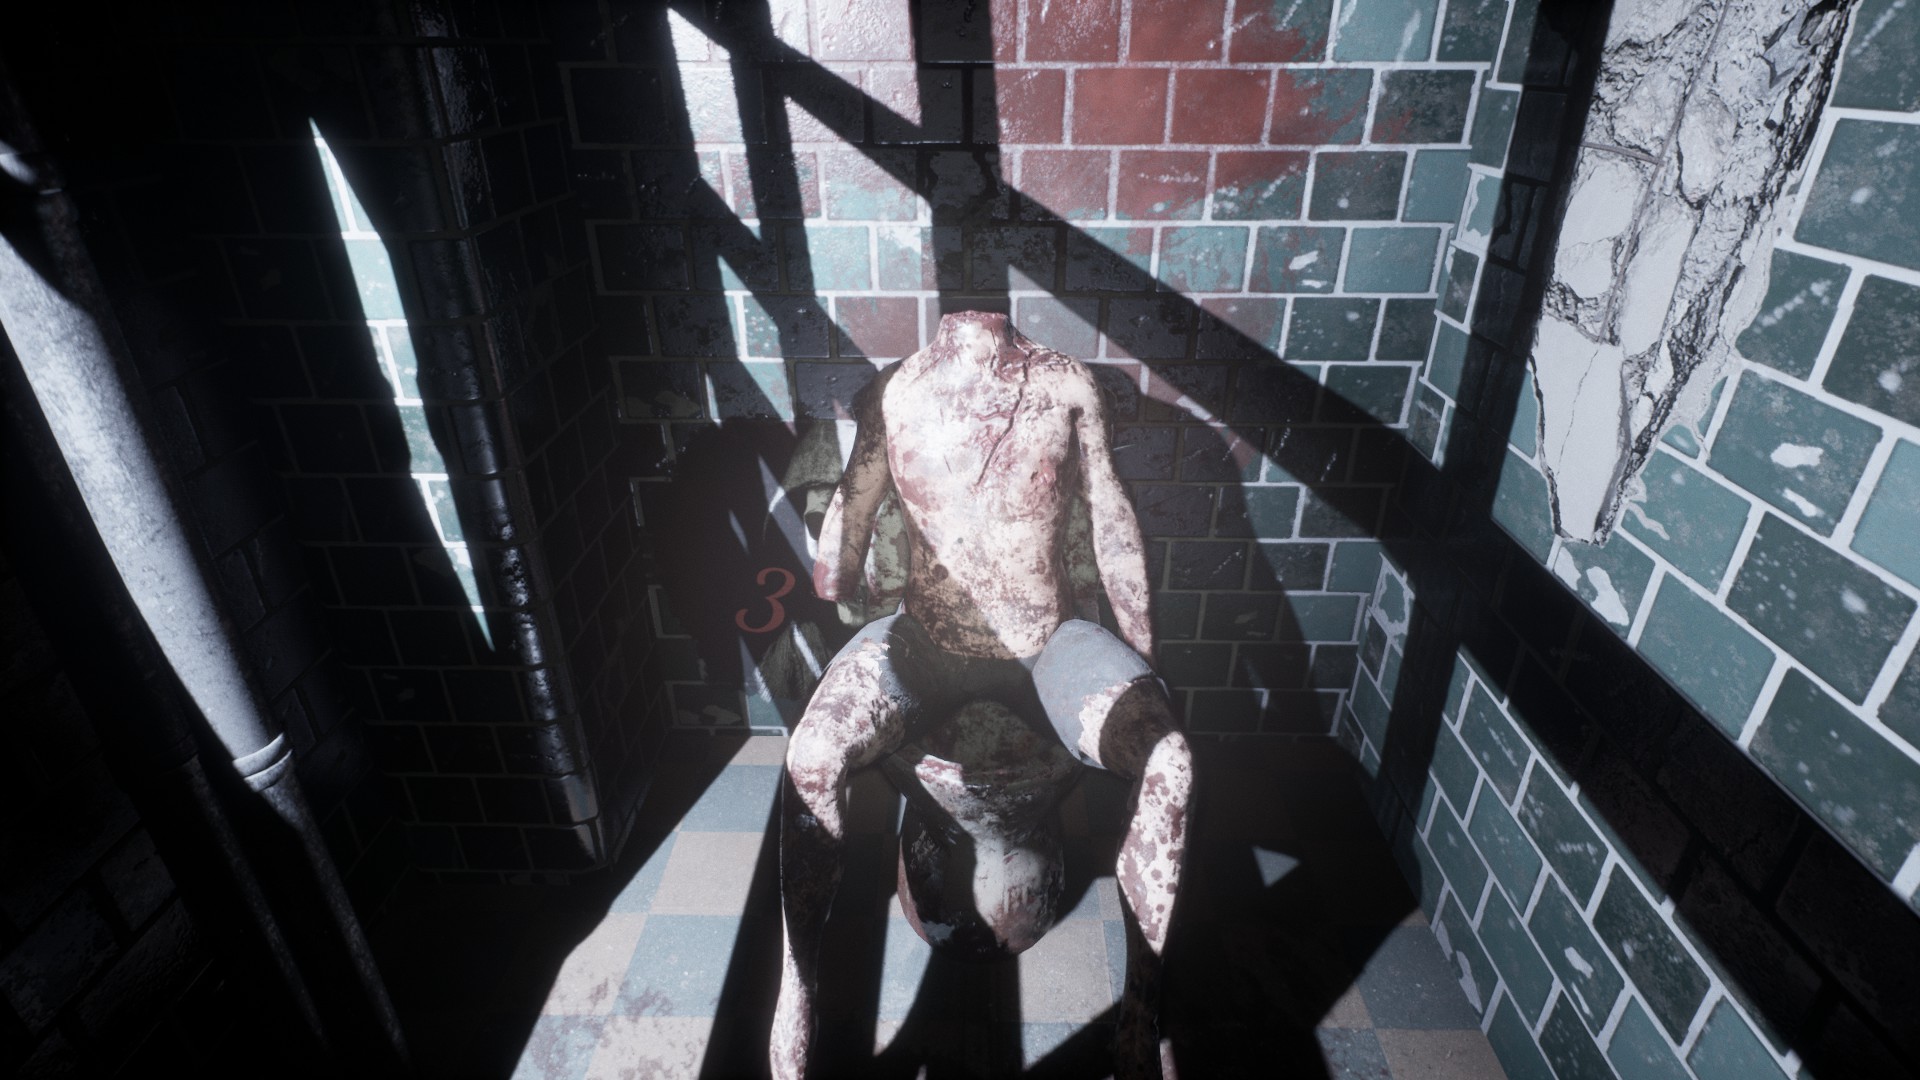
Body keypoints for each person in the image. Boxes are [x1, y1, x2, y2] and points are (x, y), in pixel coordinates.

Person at [770, 310, 1193, 1079]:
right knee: (813, 756)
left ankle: (1143, 1012)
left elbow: (1111, 522)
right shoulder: (904, 392)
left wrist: (1139, 667)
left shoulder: (1058, 385)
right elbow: (841, 561)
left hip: (1048, 646)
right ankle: (796, 993)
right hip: (928, 645)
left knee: (1170, 761)